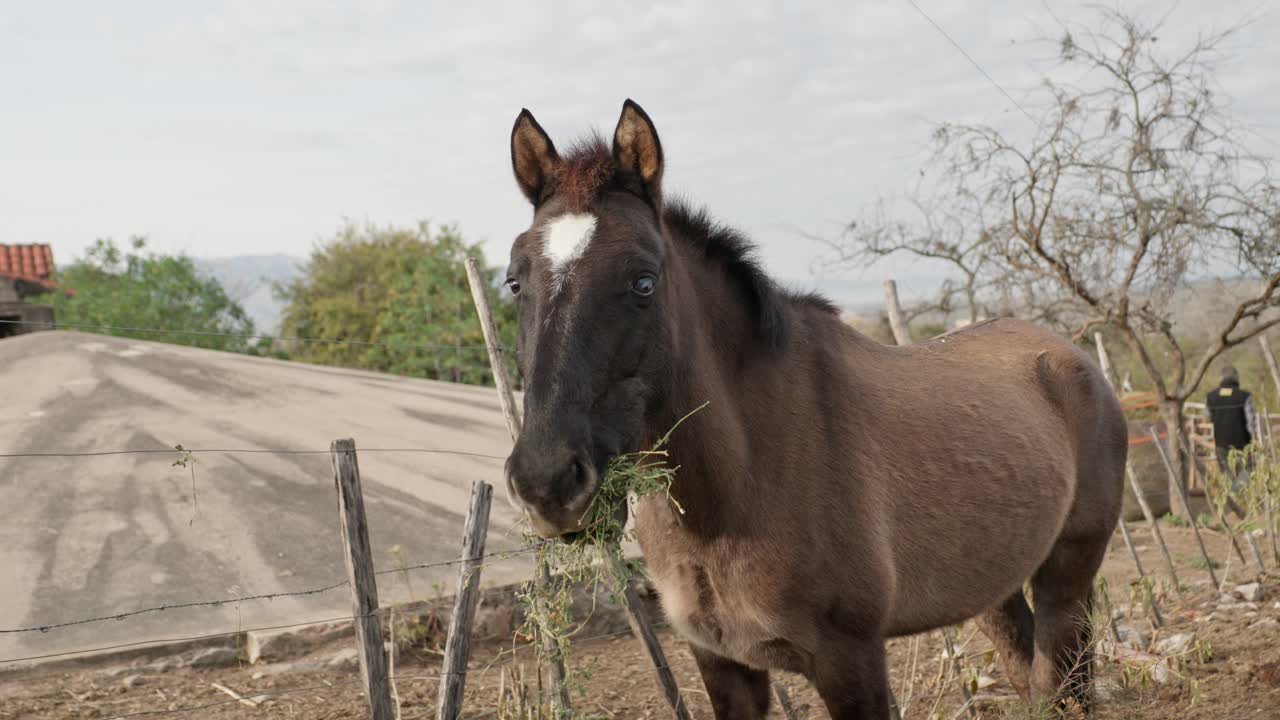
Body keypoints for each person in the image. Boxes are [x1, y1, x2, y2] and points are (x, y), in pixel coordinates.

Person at [1205, 365, 1260, 491]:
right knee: (1246, 472)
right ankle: (1239, 499)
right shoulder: (1245, 396)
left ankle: (1232, 501)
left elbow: (1207, 417)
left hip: (1221, 445)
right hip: (1243, 445)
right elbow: (1251, 423)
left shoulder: (1211, 397)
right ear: (1237, 377)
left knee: (1227, 475)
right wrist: (1255, 441)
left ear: (1221, 378)